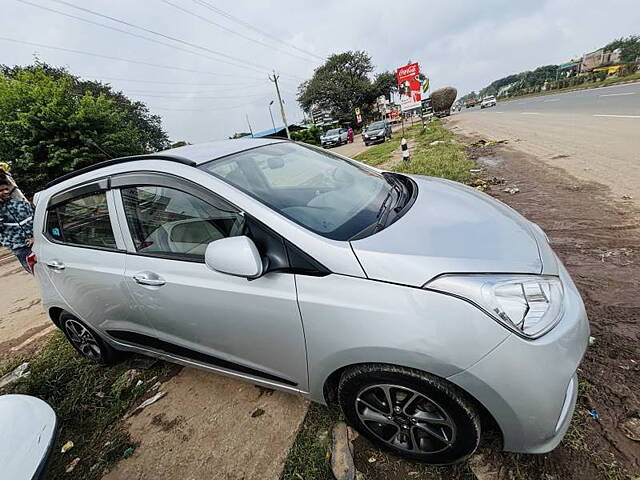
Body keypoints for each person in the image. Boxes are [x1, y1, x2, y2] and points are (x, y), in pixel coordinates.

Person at [0, 177, 34, 272]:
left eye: (6, 189)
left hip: (38, 243)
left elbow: (35, 220)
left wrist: (35, 237)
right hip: (21, 249)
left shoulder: (21, 204)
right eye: (1, 190)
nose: (5, 192)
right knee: (37, 274)